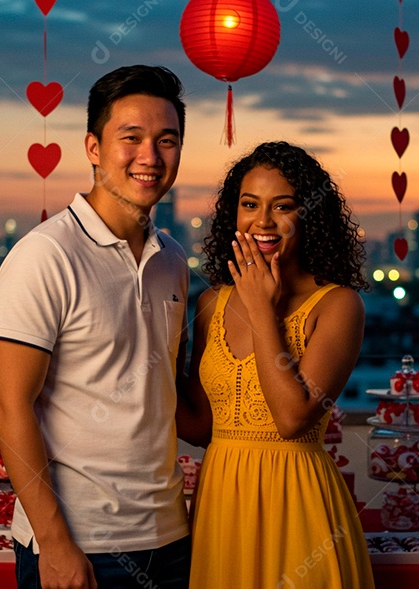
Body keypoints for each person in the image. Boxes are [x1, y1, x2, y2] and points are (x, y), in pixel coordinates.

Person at [0, 65, 191, 589]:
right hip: (81, 544)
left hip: (171, 536)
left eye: (167, 140)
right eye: (132, 138)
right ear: (93, 148)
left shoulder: (172, 259)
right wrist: (55, 543)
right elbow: (9, 406)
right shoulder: (45, 255)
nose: (150, 157)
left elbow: (167, 394)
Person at [177, 141, 375, 588]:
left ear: (309, 216)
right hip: (221, 505)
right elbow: (199, 426)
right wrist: (149, 357)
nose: (263, 221)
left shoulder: (339, 305)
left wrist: (262, 309)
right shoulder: (210, 303)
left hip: (298, 504)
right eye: (250, 205)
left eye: (282, 206)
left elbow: (292, 418)